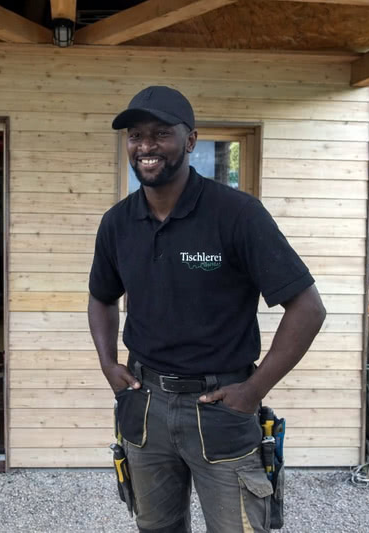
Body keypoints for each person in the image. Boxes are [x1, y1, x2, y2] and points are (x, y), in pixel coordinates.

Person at [88, 86, 326, 533]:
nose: (145, 146)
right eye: (136, 135)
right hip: (143, 407)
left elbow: (308, 309)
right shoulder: (117, 222)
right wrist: (107, 362)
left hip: (221, 409)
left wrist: (253, 390)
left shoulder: (237, 214)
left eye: (161, 134)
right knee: (156, 528)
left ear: (191, 141)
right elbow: (102, 296)